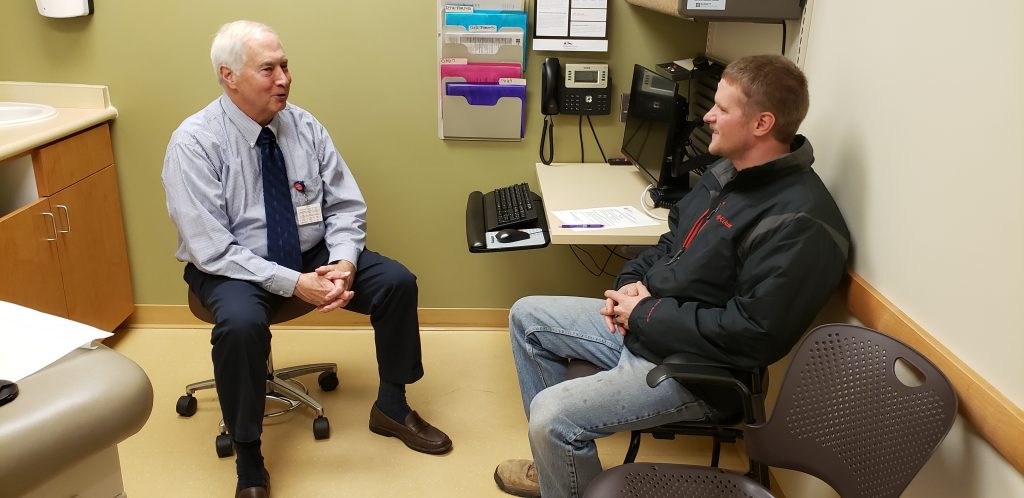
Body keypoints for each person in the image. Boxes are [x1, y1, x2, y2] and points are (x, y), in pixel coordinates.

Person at [493, 54, 851, 498]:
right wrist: (629, 284)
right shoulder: (727, 173)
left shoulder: (800, 222)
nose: (708, 115)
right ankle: (561, 472)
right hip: (649, 326)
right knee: (527, 316)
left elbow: (754, 333)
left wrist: (644, 313)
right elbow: (670, 242)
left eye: (722, 108)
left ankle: (559, 456)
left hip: (695, 371)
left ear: (762, 123)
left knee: (553, 415)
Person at [162, 20, 451, 498]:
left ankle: (393, 407)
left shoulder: (304, 126)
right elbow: (210, 246)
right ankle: (249, 456)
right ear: (228, 76)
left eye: (286, 65)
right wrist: (294, 284)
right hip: (233, 266)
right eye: (268, 69)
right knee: (239, 326)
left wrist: (342, 263)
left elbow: (344, 205)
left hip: (310, 251)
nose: (284, 79)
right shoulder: (194, 143)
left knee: (397, 282)